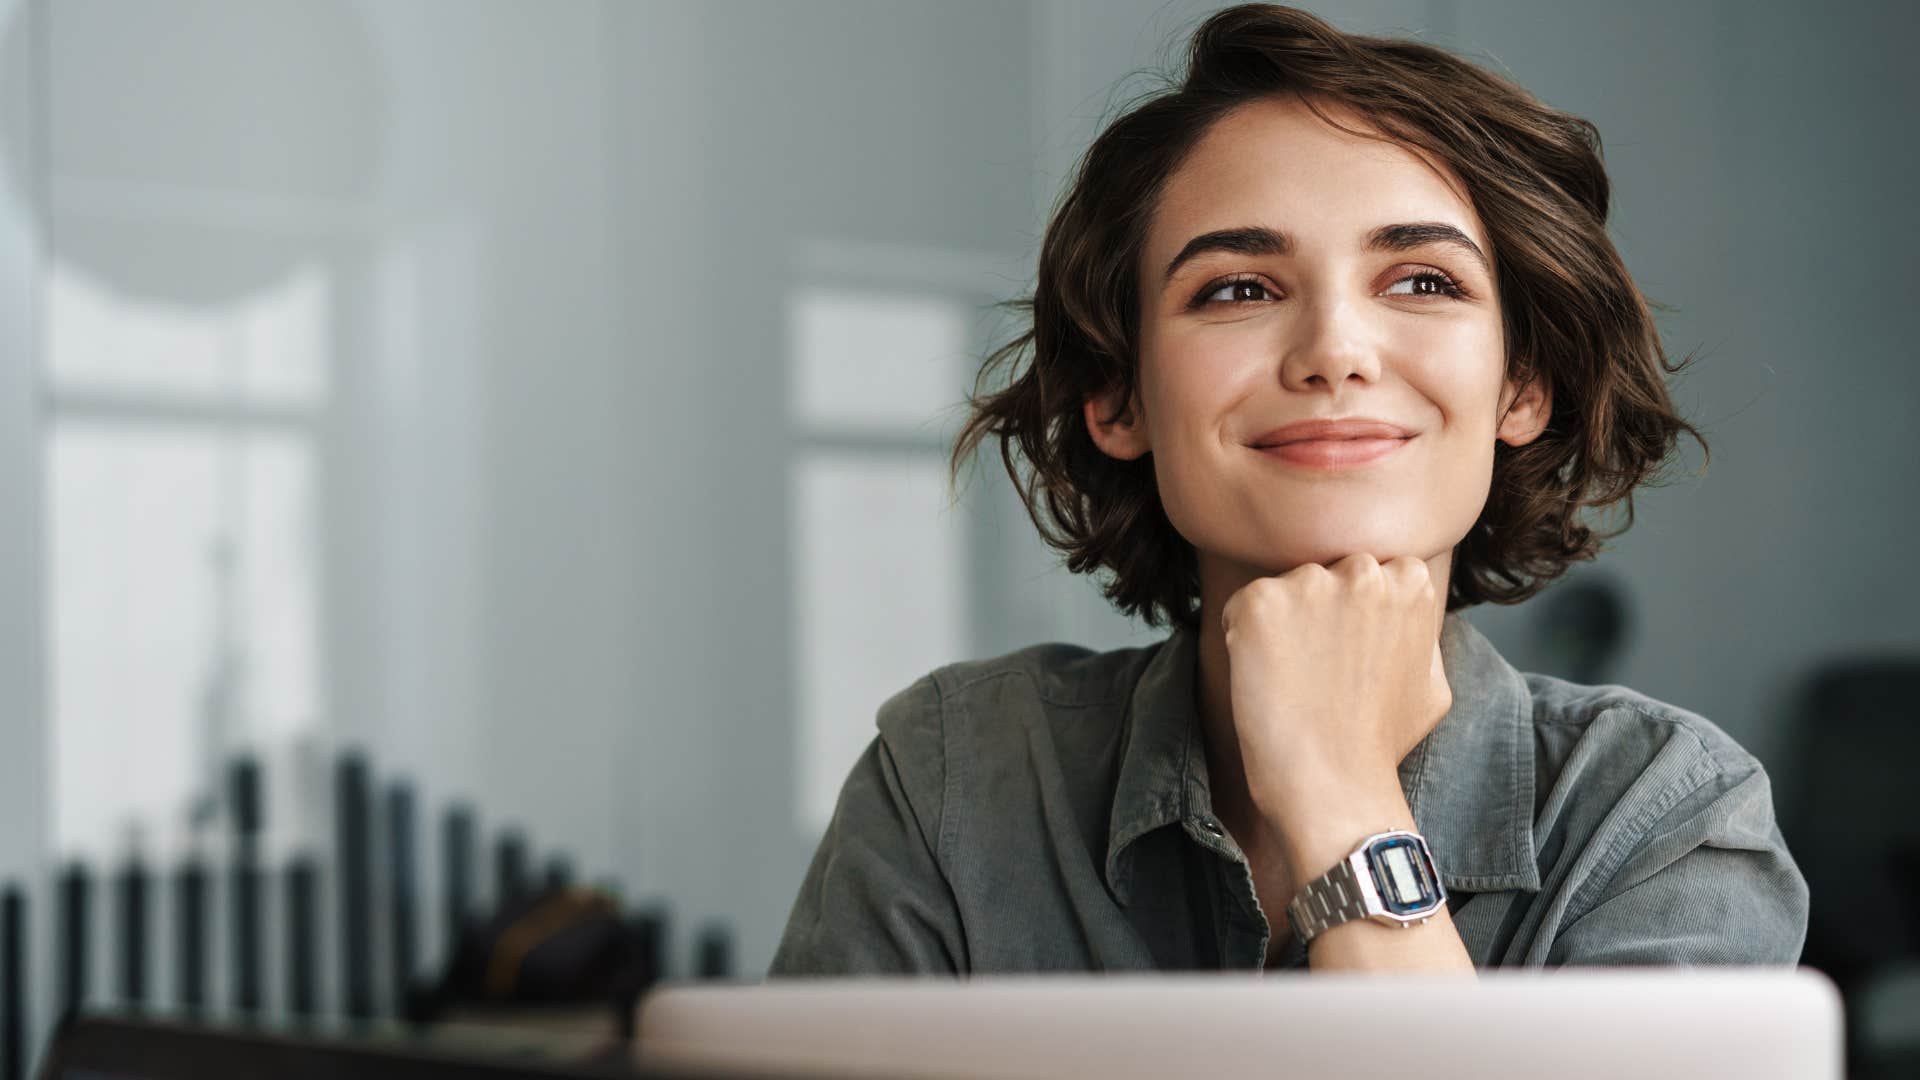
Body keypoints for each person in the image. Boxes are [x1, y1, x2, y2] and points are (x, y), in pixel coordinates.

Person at [769, 2, 1808, 975]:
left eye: (1423, 282)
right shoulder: (952, 779)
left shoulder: (1666, 819)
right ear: (1117, 397)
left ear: (1522, 385)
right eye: (1237, 288)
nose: (1335, 352)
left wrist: (1340, 794)